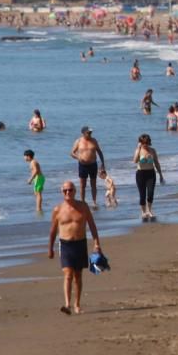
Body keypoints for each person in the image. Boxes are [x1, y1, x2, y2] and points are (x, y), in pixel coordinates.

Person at [48, 180, 101, 315]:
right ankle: (67, 304)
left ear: (75, 191)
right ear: (62, 192)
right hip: (65, 245)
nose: (67, 193)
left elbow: (92, 225)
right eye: (65, 190)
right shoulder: (57, 209)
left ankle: (77, 304)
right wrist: (50, 248)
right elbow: (53, 231)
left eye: (70, 190)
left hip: (80, 243)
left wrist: (96, 243)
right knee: (68, 274)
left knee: (78, 275)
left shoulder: (83, 207)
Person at [70, 126, 106, 208]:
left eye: (91, 133)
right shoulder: (78, 141)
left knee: (93, 184)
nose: (90, 134)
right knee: (83, 185)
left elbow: (99, 152)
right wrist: (78, 157)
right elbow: (72, 153)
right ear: (83, 133)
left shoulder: (94, 140)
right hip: (83, 165)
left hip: (93, 165)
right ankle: (83, 202)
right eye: (88, 133)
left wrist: (103, 164)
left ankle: (94, 202)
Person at [132, 133, 164, 221]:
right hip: (140, 174)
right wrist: (138, 148)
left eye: (146, 143)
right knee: (142, 195)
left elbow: (156, 163)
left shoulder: (152, 150)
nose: (145, 145)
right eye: (143, 143)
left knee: (150, 193)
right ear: (140, 143)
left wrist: (161, 174)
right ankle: (143, 212)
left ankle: (149, 210)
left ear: (149, 142)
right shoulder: (138, 150)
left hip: (151, 173)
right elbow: (134, 161)